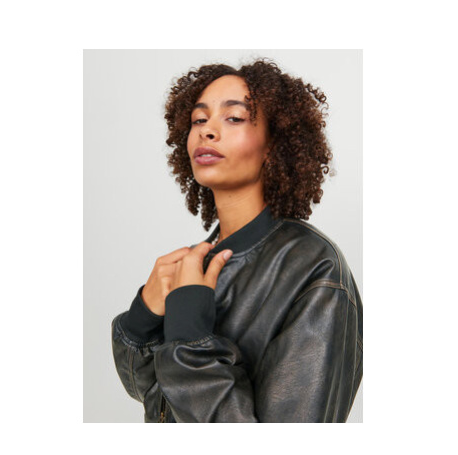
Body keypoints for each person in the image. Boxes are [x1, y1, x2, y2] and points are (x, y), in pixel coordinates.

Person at [111, 58, 363, 423]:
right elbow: (158, 399)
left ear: (273, 144)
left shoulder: (315, 269)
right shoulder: (195, 264)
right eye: (199, 120)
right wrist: (142, 322)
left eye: (234, 118)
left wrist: (190, 337)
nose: (208, 131)